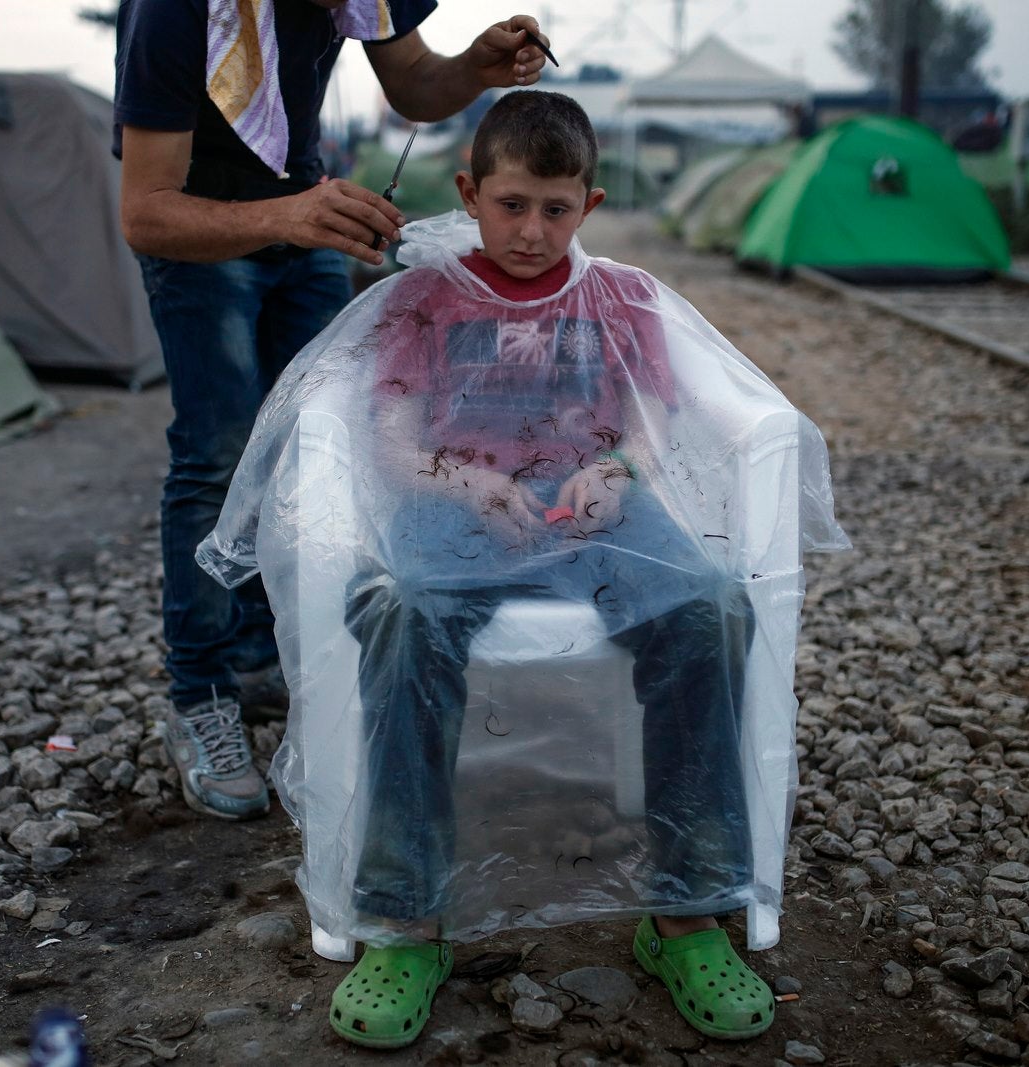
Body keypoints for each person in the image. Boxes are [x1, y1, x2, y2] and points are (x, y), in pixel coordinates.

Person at [320, 90, 777, 1048]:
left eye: (556, 209)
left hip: (594, 508)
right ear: (470, 193)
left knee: (707, 607)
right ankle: (406, 919)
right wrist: (467, 478)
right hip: (458, 508)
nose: (532, 231)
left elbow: (648, 434)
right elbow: (396, 447)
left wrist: (613, 472)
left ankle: (688, 913)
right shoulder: (424, 300)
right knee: (400, 610)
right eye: (512, 204)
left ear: (590, 205)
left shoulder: (621, 299)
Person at [115, 0, 554, 821]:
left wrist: (474, 67)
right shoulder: (175, 13)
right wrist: (285, 213)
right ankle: (200, 690)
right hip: (207, 239)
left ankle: (267, 655)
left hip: (305, 224)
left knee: (325, 450)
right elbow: (144, 210)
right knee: (216, 455)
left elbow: (417, 83)